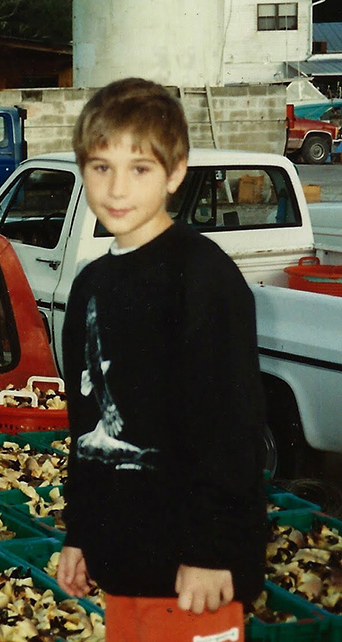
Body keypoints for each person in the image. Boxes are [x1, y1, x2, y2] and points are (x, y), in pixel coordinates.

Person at [55, 78, 267, 641]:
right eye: (101, 167)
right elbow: (85, 427)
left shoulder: (203, 279)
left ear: (175, 174)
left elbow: (232, 427)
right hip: (124, 563)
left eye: (140, 168)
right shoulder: (90, 284)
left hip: (193, 574)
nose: (116, 188)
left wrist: (211, 551)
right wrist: (81, 533)